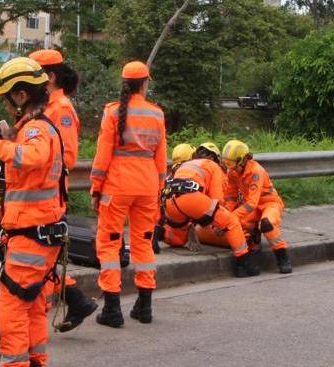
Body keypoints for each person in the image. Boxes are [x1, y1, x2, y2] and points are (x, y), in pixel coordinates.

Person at [0, 57, 66, 367]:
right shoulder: (34, 127)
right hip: (36, 233)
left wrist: (1, 147)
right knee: (31, 304)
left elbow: (32, 158)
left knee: (11, 308)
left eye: (7, 100)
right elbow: (28, 191)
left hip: (31, 237)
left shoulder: (35, 130)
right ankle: (35, 361)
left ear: (21, 96)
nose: (6, 107)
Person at [90, 61, 166, 328]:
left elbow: (102, 154)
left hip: (118, 185)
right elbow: (161, 159)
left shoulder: (112, 112)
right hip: (147, 185)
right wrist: (158, 190)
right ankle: (144, 306)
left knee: (110, 244)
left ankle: (112, 308)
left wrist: (96, 187)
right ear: (145, 83)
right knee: (143, 243)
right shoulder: (157, 114)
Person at [28, 49, 97, 333]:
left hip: (50, 195)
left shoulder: (61, 109)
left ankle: (35, 320)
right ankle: (75, 301)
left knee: (40, 257)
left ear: (51, 76)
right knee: (43, 257)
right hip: (38, 193)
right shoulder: (45, 107)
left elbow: (66, 157)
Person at [162, 143, 261, 278]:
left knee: (179, 237)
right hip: (190, 199)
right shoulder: (215, 168)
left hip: (170, 201)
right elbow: (217, 200)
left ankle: (162, 233)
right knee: (231, 222)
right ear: (217, 159)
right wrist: (219, 221)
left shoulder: (188, 166)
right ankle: (244, 261)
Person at [221, 139, 292, 274]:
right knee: (238, 224)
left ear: (242, 160)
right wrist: (225, 214)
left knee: (267, 224)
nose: (230, 167)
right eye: (227, 163)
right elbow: (231, 197)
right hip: (253, 206)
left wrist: (231, 217)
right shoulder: (233, 172)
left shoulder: (255, 172)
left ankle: (282, 257)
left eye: (232, 163)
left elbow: (252, 203)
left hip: (270, 204)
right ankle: (248, 255)